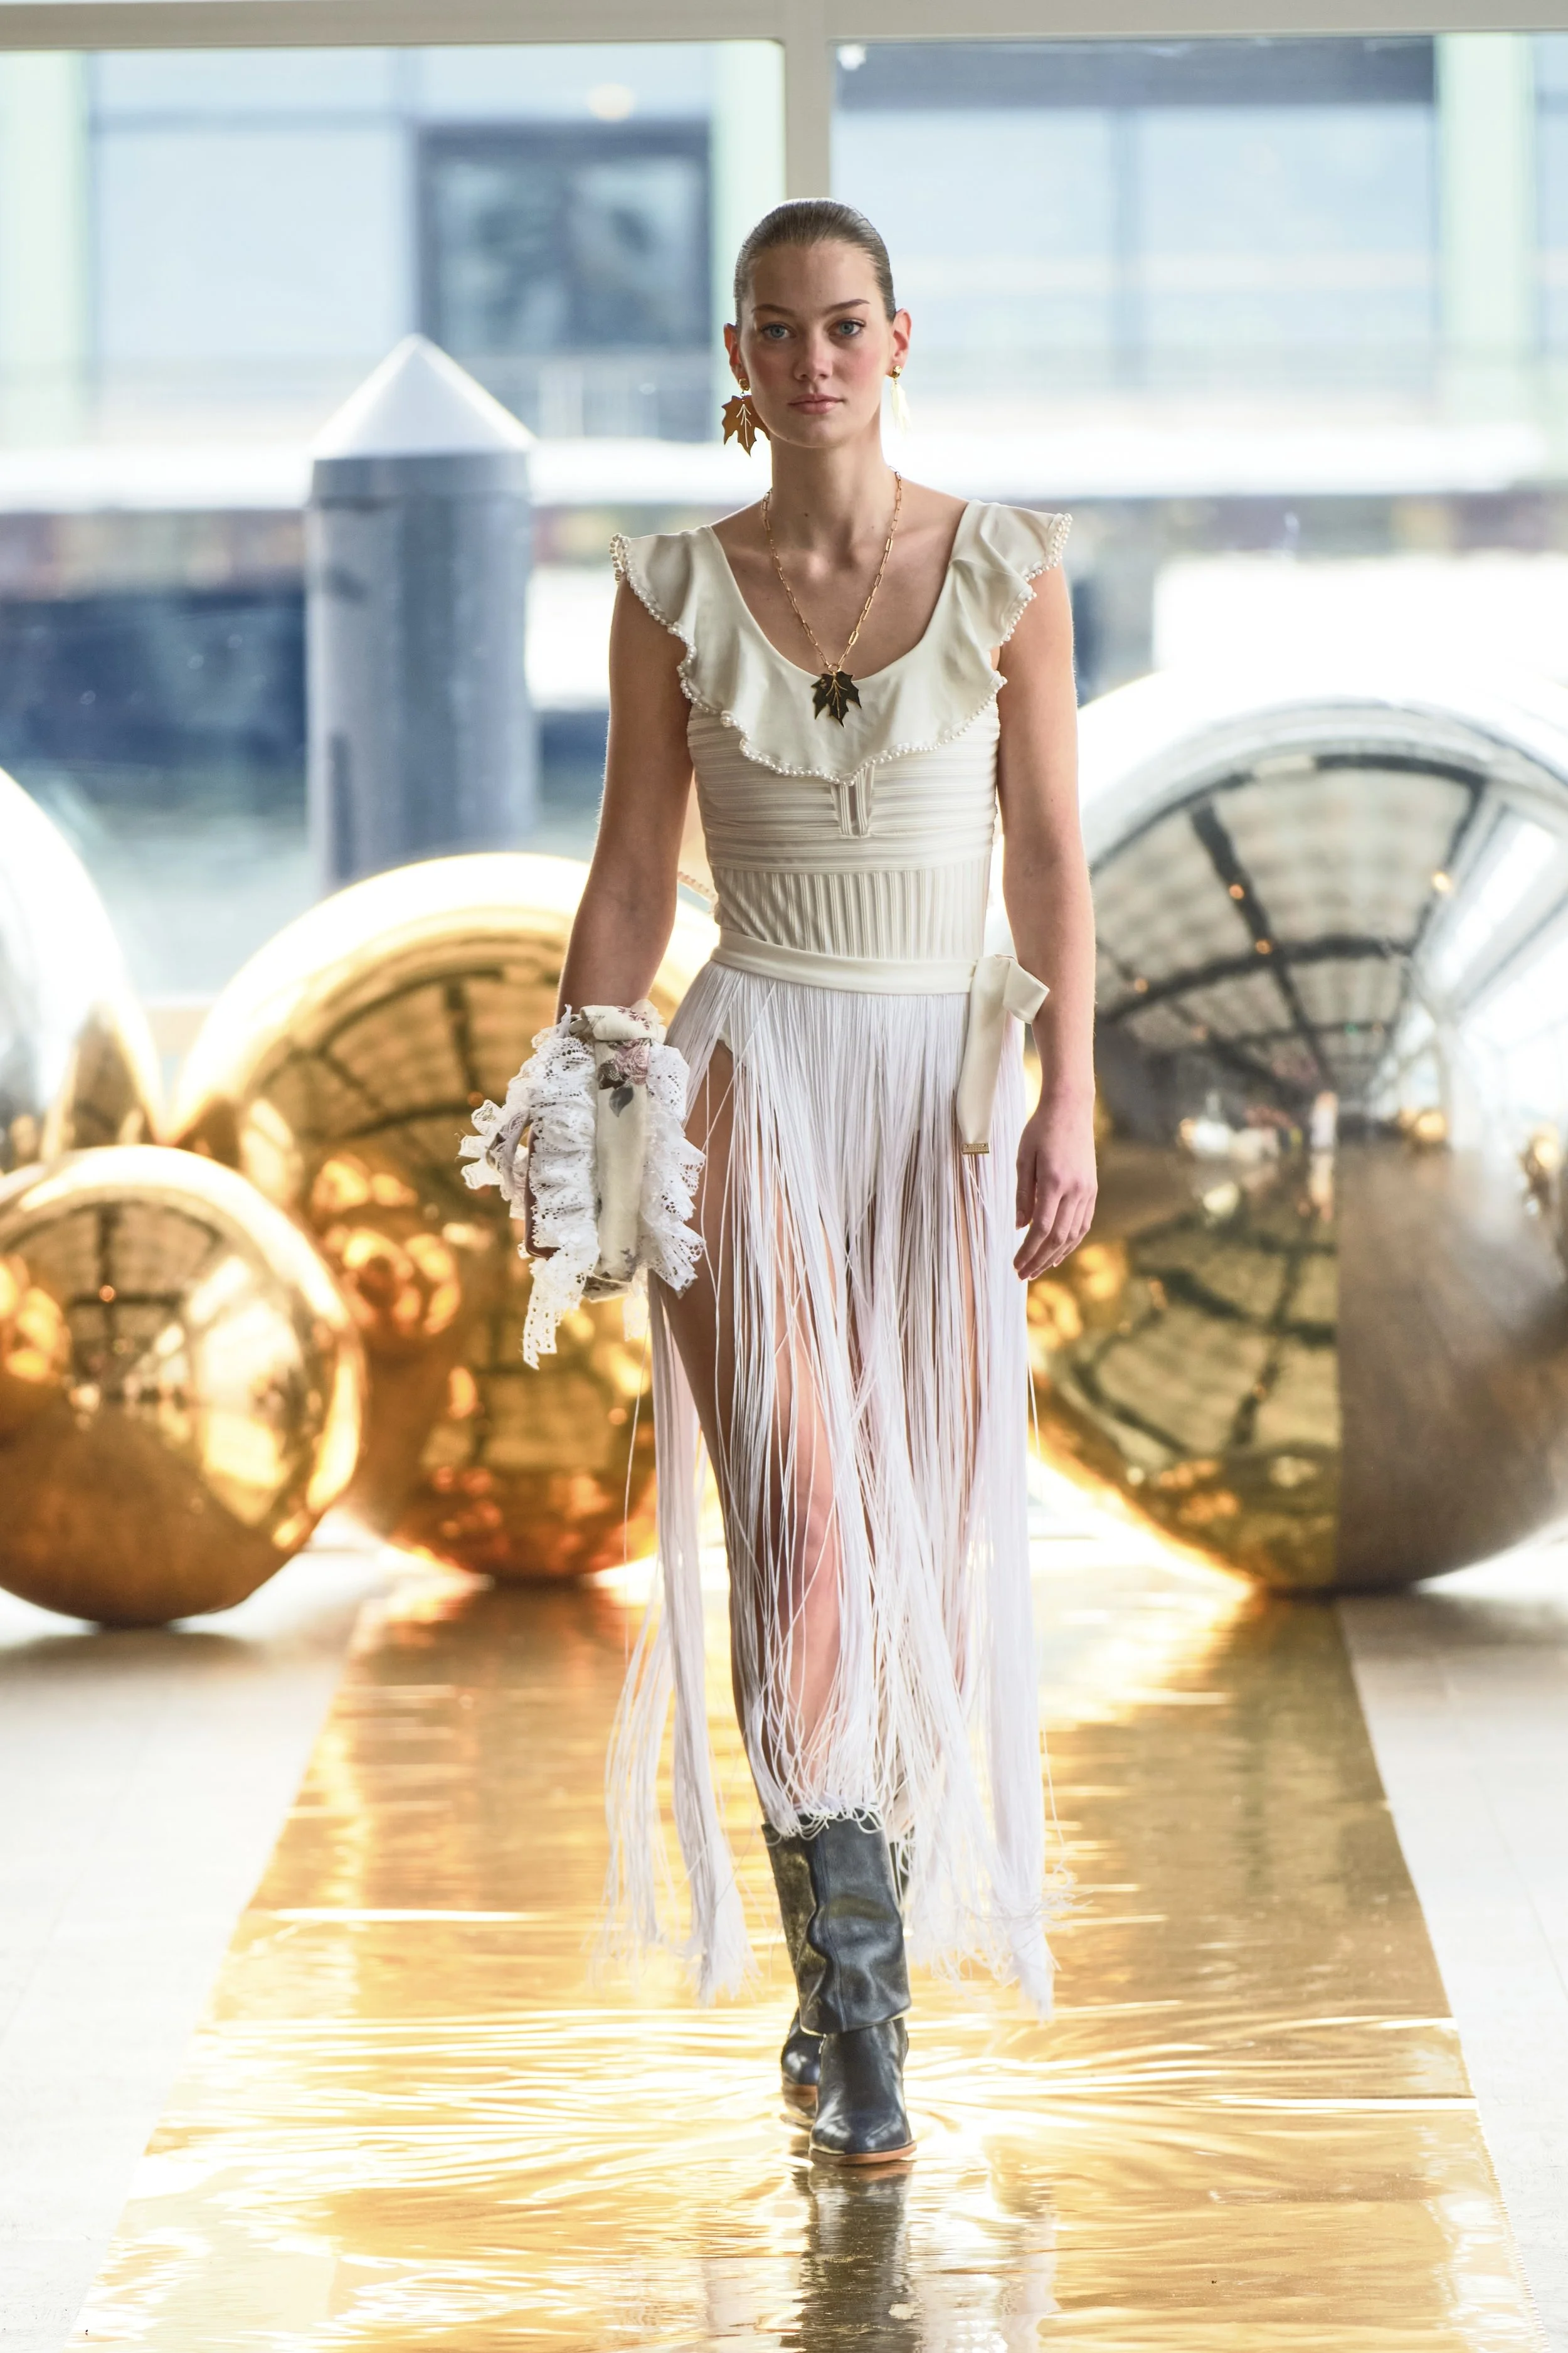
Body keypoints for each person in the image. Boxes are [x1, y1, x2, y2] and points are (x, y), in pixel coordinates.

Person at [492, 200, 1096, 2164]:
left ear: (897, 339)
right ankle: (859, 2018)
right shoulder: (670, 588)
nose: (812, 357)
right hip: (747, 1073)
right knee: (805, 1529)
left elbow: (1050, 864)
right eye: (775, 328)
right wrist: (584, 1108)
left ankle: (854, 1963)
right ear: (736, 360)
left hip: (942, 1092)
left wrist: (1070, 1102)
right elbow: (629, 874)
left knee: (918, 1550)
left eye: (843, 324)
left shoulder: (1009, 569)